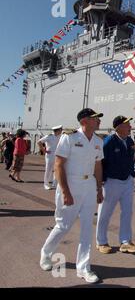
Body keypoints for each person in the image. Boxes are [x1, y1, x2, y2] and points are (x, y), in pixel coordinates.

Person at [40, 108, 104, 284]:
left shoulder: (98, 141)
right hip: (71, 185)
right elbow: (59, 165)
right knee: (63, 225)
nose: (98, 121)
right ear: (84, 121)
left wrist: (99, 189)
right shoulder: (69, 137)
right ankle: (46, 254)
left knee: (87, 228)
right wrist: (66, 191)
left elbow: (98, 167)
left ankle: (83, 268)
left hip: (89, 185)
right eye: (95, 118)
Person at [96, 116, 135, 254]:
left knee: (127, 212)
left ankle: (125, 241)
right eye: (128, 125)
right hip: (112, 182)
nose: (130, 127)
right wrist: (101, 182)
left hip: (127, 181)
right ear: (119, 127)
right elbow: (100, 162)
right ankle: (101, 241)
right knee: (105, 213)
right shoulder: (109, 142)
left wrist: (132, 173)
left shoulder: (130, 140)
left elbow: (132, 158)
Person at [38, 125, 63, 190]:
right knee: (48, 170)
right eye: (60, 130)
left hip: (57, 155)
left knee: (56, 169)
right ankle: (46, 184)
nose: (61, 131)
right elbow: (39, 142)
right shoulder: (49, 136)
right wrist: (44, 150)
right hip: (50, 155)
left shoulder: (60, 136)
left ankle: (55, 183)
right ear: (57, 130)